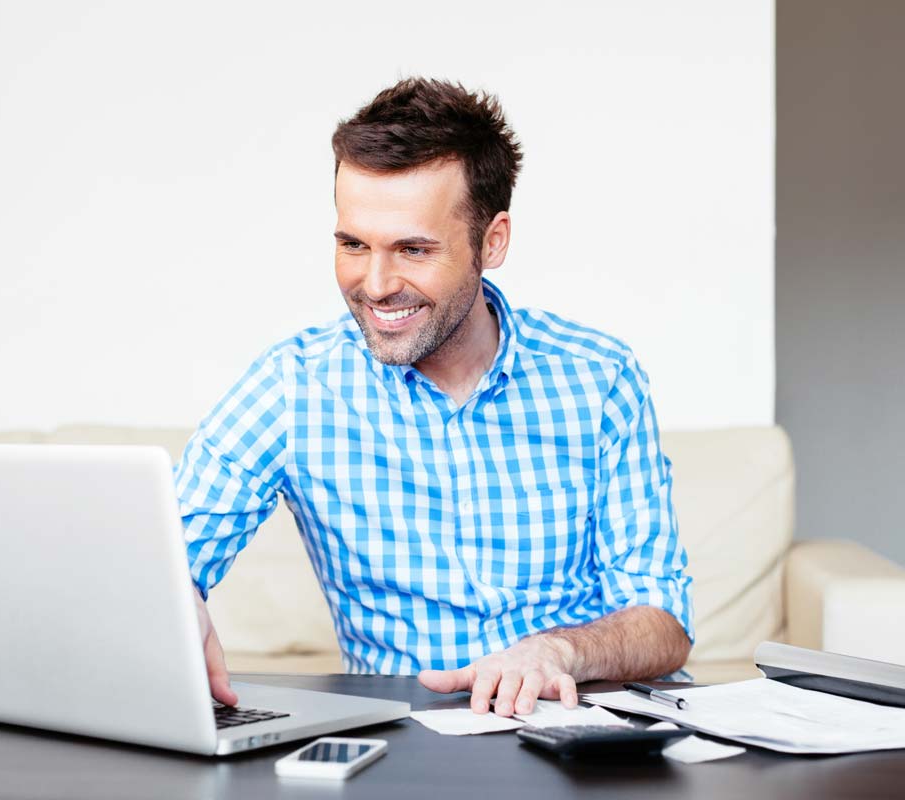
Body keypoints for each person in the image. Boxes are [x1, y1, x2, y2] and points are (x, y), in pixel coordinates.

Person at [175, 77, 693, 718]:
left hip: (585, 726)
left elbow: (664, 622)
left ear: (493, 241)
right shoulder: (294, 387)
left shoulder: (601, 377)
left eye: (414, 249)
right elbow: (164, 558)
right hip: (407, 738)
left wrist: (556, 652)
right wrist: (171, 597)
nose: (376, 283)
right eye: (353, 244)